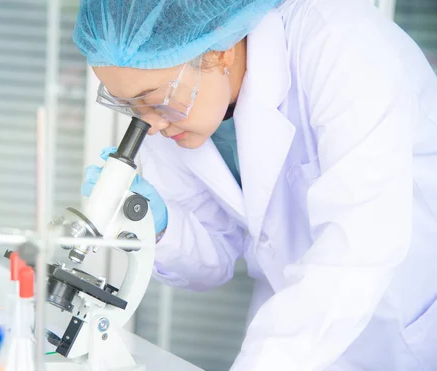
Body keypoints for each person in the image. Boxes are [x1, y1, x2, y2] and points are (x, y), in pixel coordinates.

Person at [74, 0, 437, 370]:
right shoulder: (173, 113)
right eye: (129, 106)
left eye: (152, 101)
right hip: (293, 331)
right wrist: (161, 226)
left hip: (402, 320)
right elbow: (214, 259)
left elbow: (361, 243)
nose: (148, 126)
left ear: (220, 51)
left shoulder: (338, 44)